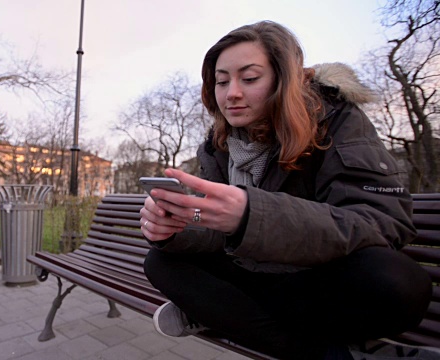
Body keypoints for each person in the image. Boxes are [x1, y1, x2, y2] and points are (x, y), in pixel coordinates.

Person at [140, 20, 435, 360]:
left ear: (284, 80)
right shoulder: (216, 145)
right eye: (221, 81)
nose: (231, 92)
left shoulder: (337, 119)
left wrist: (252, 215)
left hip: (315, 283)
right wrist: (176, 228)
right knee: (160, 260)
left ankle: (222, 314)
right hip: (258, 277)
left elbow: (382, 223)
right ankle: (332, 354)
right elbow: (219, 234)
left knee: (397, 282)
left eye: (249, 79)